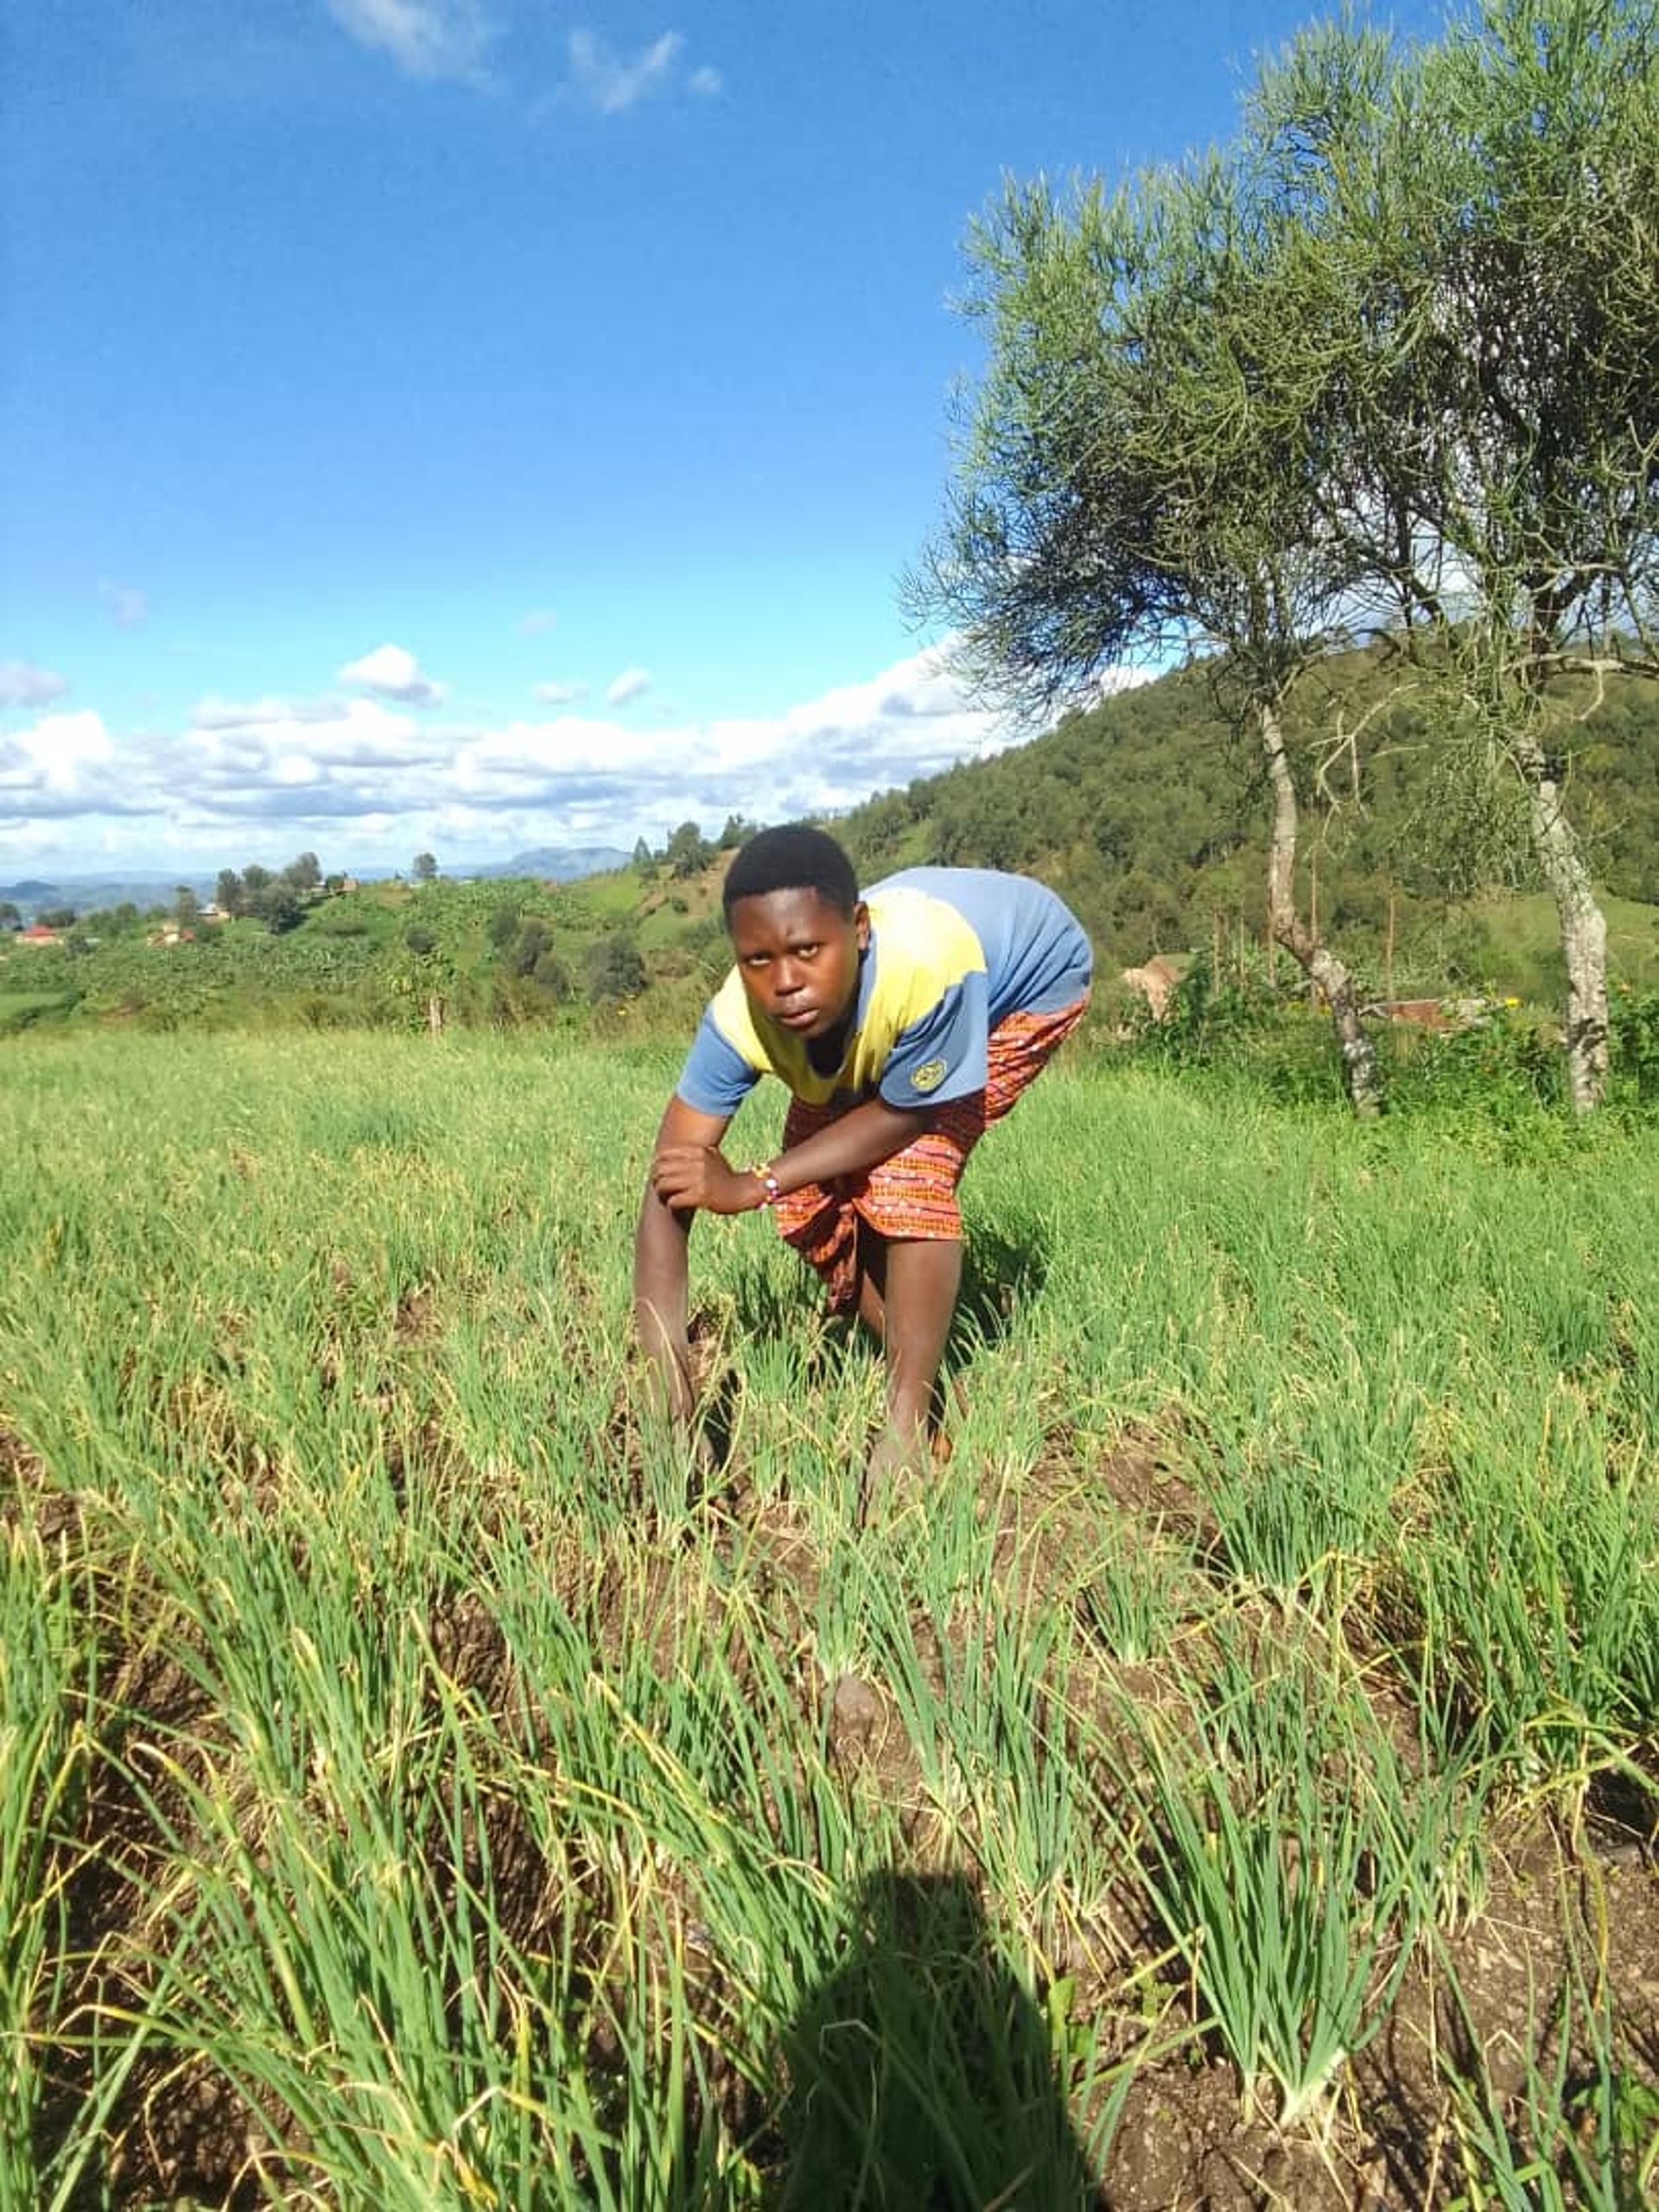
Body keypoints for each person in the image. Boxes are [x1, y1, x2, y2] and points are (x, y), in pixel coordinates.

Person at [632, 824, 1092, 1512]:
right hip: (893, 1009)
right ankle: (929, 1371)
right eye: (758, 960)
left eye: (807, 951)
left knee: (907, 1173)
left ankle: (909, 1427)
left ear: (858, 930)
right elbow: (670, 1185)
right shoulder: (737, 1019)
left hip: (1022, 987)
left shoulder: (928, 969)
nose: (785, 983)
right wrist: (672, 1406)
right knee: (814, 1200)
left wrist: (756, 1181)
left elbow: (905, 1117)